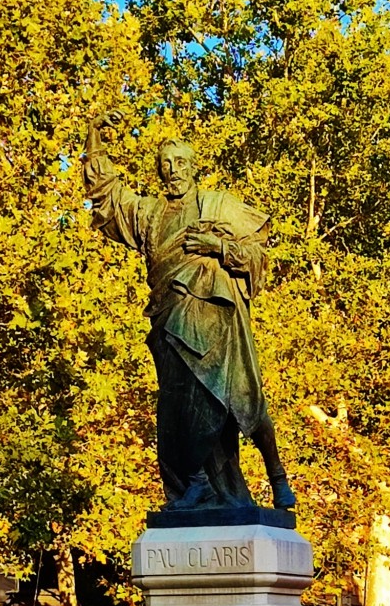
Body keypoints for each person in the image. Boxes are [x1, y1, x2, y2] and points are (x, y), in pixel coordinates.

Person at [83, 110, 295, 511]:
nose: (173, 170)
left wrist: (219, 247)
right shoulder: (149, 213)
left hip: (218, 319)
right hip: (170, 320)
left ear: (194, 167)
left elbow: (257, 257)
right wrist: (95, 135)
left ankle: (278, 477)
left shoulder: (218, 205)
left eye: (180, 162)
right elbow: (107, 197)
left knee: (242, 398)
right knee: (179, 407)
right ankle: (196, 481)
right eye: (165, 164)